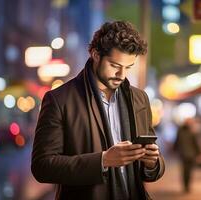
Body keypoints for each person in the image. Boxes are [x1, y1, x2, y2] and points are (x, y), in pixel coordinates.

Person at [31, 21, 165, 200]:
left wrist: (152, 163)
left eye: (128, 67)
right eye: (115, 66)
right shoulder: (59, 99)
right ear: (95, 55)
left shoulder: (139, 98)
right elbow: (42, 166)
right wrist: (103, 160)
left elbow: (152, 167)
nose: (122, 75)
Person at [174, 118, 200, 192]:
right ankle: (187, 185)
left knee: (185, 170)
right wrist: (198, 152)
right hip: (190, 154)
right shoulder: (191, 131)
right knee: (188, 170)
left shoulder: (180, 131)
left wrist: (175, 149)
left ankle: (186, 185)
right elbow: (196, 143)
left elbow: (176, 141)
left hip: (184, 154)